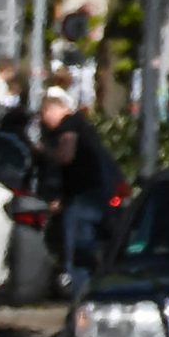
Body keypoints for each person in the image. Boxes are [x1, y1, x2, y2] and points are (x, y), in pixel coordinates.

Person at [38, 86, 117, 296]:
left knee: (79, 257)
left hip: (84, 199)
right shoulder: (82, 125)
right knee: (89, 252)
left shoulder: (69, 124)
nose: (44, 123)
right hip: (92, 195)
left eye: (43, 116)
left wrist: (43, 152)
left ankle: (81, 302)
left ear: (51, 110)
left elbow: (66, 156)